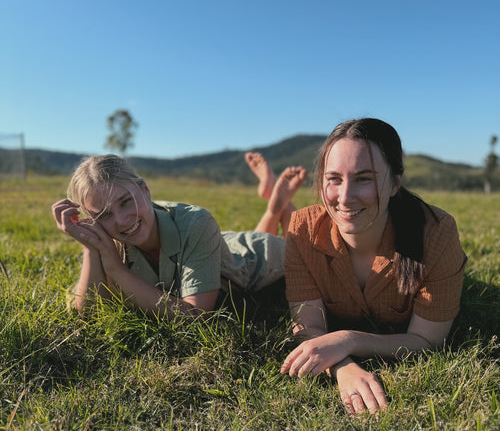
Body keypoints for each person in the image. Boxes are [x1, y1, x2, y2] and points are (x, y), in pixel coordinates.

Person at [281, 118, 467, 414]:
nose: (344, 197)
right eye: (334, 179)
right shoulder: (302, 230)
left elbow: (428, 340)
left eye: (363, 179)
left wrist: (349, 339)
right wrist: (342, 365)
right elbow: (309, 327)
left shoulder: (437, 232)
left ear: (394, 183)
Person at [52, 153, 307, 319]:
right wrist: (91, 247)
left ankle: (278, 204)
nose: (121, 220)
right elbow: (87, 313)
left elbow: (197, 317)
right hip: (215, 247)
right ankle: (274, 202)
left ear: (145, 190)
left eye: (126, 202)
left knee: (301, 246)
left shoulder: (196, 222)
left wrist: (118, 272)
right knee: (235, 250)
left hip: (260, 258)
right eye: (104, 215)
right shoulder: (109, 237)